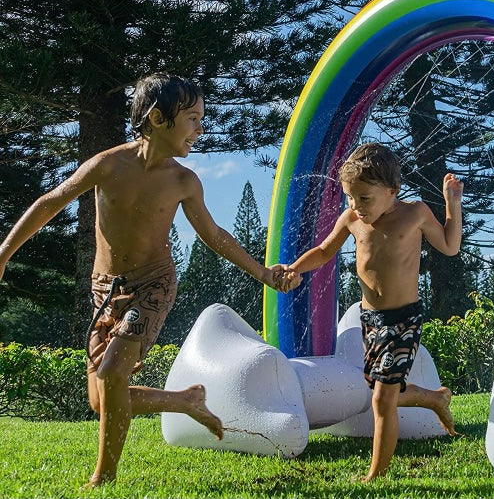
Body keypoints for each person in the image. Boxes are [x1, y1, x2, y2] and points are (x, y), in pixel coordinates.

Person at [0, 73, 301, 487]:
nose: (200, 128)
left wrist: (264, 274)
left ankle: (103, 477)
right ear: (158, 118)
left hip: (153, 285)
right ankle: (185, 401)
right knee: (99, 398)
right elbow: (52, 201)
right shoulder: (108, 164)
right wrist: (4, 254)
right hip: (105, 289)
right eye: (193, 118)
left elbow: (214, 236)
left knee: (110, 378)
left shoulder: (183, 181)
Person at [286, 142, 462, 482]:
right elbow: (323, 251)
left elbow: (450, 247)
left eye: (365, 198)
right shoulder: (352, 218)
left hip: (403, 320)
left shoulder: (415, 214)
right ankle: (435, 398)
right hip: (371, 320)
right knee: (381, 388)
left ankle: (376, 476)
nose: (356, 206)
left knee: (383, 398)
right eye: (351, 197)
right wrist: (295, 268)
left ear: (392, 191)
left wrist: (451, 205)